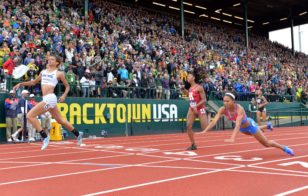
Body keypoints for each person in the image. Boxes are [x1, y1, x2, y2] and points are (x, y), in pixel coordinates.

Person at [13, 54, 83, 150]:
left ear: (57, 62)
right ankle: (78, 134)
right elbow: (33, 82)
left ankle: (45, 137)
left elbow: (67, 86)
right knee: (60, 120)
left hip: (50, 98)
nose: (49, 61)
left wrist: (63, 95)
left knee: (30, 115)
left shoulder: (59, 73)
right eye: (49, 59)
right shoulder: (43, 72)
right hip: (46, 98)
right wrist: (21, 84)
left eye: (52, 59)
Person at [199, 92, 294, 156]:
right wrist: (205, 130)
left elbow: (237, 124)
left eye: (227, 101)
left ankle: (284, 148)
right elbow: (214, 121)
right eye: (224, 101)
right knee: (254, 133)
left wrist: (232, 138)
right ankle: (267, 126)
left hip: (249, 126)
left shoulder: (239, 109)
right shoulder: (222, 109)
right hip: (243, 129)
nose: (225, 103)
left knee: (266, 143)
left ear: (233, 101)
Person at [184, 69, 208, 150]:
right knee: (188, 126)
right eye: (187, 76)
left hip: (200, 108)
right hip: (192, 108)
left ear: (193, 78)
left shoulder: (199, 87)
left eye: (189, 76)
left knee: (204, 128)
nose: (187, 77)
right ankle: (193, 144)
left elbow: (204, 99)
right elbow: (189, 96)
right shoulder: (190, 88)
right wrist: (184, 91)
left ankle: (210, 116)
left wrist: (196, 106)